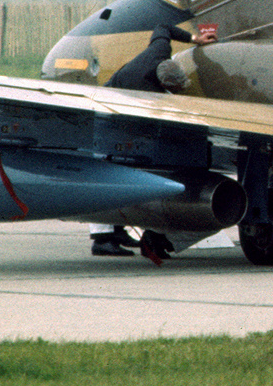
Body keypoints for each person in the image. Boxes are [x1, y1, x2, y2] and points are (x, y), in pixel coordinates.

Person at [90, 21, 216, 256]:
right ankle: (102, 239)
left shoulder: (159, 52)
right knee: (113, 164)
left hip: (121, 103)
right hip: (110, 110)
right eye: (175, 89)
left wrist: (194, 39)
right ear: (162, 85)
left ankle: (117, 231)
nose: (178, 92)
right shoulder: (146, 95)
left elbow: (163, 27)